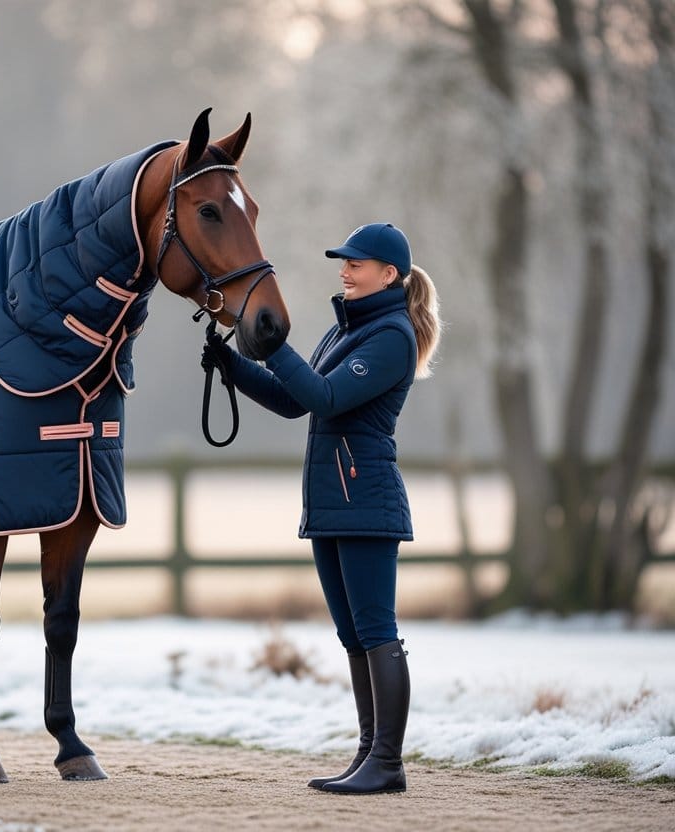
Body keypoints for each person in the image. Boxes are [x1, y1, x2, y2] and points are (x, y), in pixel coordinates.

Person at [202, 222, 441, 795]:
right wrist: (233, 364)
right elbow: (294, 400)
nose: (344, 270)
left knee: (376, 630)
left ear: (388, 274)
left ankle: (388, 762)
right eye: (344, 262)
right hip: (335, 503)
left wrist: (273, 346)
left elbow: (326, 398)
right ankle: (369, 754)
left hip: (366, 501)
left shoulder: (392, 336)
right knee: (353, 635)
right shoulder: (346, 331)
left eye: (355, 263)